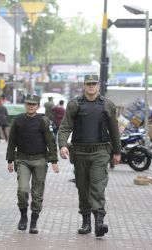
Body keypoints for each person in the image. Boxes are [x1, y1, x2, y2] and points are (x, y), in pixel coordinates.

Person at [58, 74, 121, 238]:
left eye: (94, 84)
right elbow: (65, 128)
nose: (91, 86)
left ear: (98, 86)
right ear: (84, 86)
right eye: (88, 84)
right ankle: (86, 222)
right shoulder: (75, 105)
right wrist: (63, 145)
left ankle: (99, 223)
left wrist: (117, 152)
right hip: (79, 152)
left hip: (100, 152)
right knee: (82, 188)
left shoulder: (107, 105)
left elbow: (114, 130)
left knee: (97, 186)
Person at [6, 94, 59, 234]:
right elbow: (11, 141)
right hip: (22, 159)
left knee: (37, 194)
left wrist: (54, 160)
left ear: (38, 106)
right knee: (23, 190)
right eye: (28, 103)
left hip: (40, 160)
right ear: (25, 105)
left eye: (33, 104)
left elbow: (50, 142)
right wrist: (10, 160)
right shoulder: (18, 121)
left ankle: (34, 222)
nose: (31, 106)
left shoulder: (43, 121)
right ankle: (23, 217)